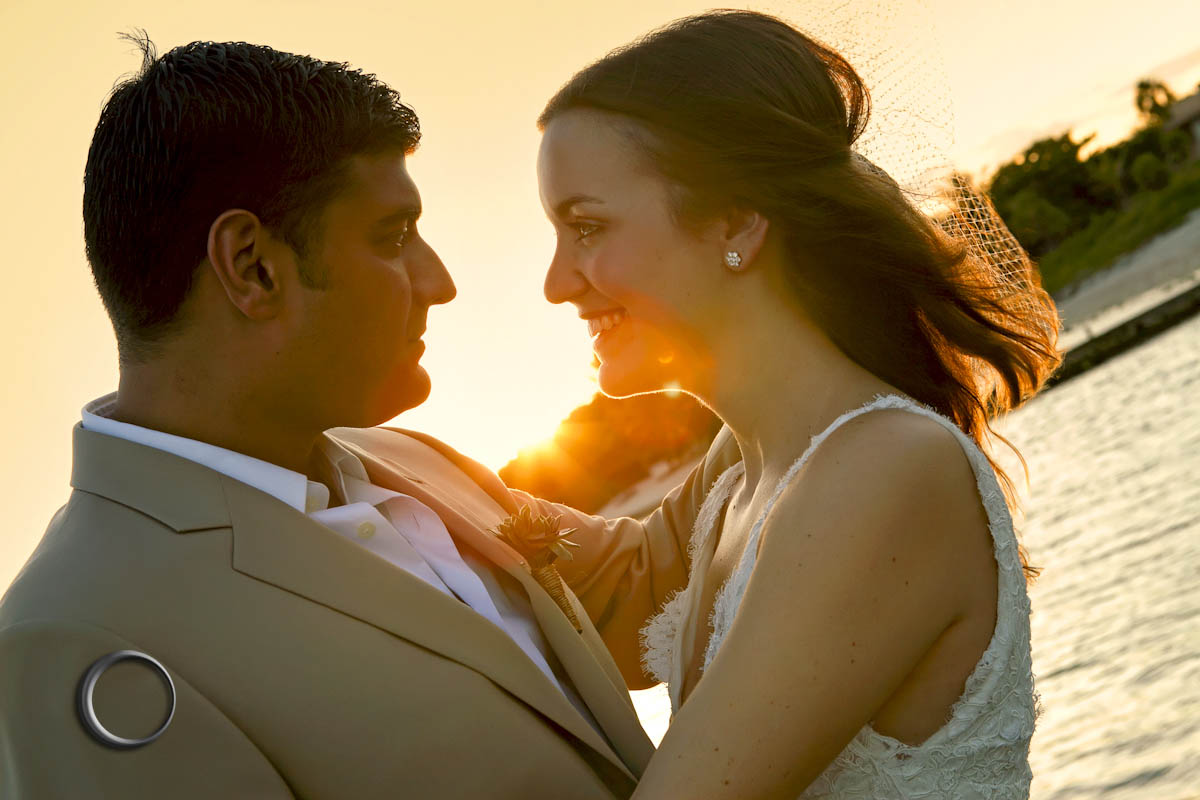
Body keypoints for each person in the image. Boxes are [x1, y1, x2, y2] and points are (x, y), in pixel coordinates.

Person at [0, 34, 744, 799]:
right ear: (253, 267)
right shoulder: (72, 639)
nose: (439, 281)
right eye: (392, 237)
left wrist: (798, 347)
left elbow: (658, 584)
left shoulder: (409, 461)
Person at [530, 9, 1062, 798]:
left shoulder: (884, 471)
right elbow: (618, 595)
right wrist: (377, 471)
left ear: (737, 220)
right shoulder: (740, 470)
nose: (556, 283)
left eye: (587, 227)